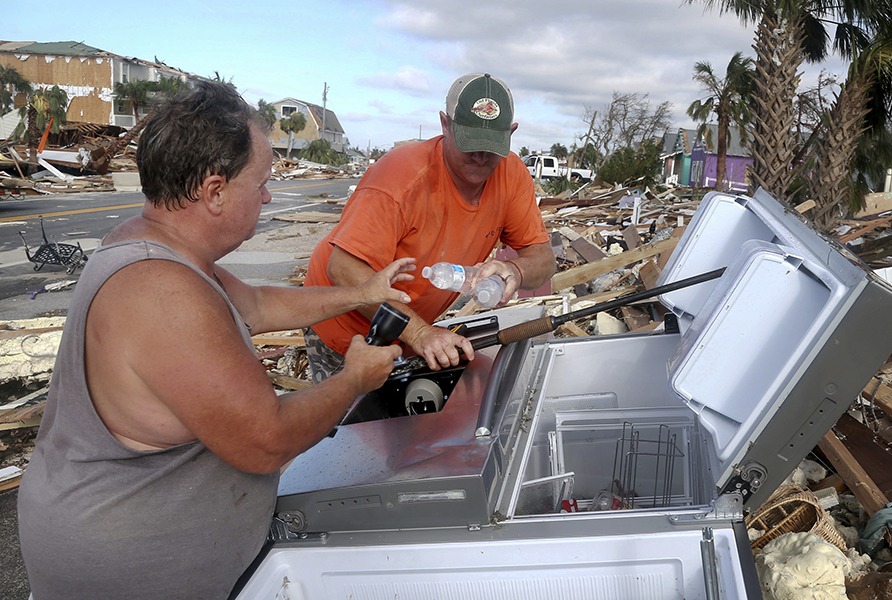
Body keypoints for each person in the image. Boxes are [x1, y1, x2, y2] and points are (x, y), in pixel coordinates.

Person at [17, 81, 416, 600]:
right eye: (262, 182)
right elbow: (266, 440)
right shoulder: (161, 290)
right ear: (214, 190)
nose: (269, 195)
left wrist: (361, 292)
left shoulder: (158, 245)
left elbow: (255, 305)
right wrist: (353, 380)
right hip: (127, 573)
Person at [303, 73, 556, 380]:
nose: (479, 157)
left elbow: (544, 260)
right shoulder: (399, 178)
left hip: (409, 325)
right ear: (445, 124)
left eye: (491, 146)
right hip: (345, 324)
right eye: (470, 143)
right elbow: (343, 269)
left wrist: (516, 271)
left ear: (511, 132)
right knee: (348, 421)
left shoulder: (511, 175)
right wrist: (420, 333)